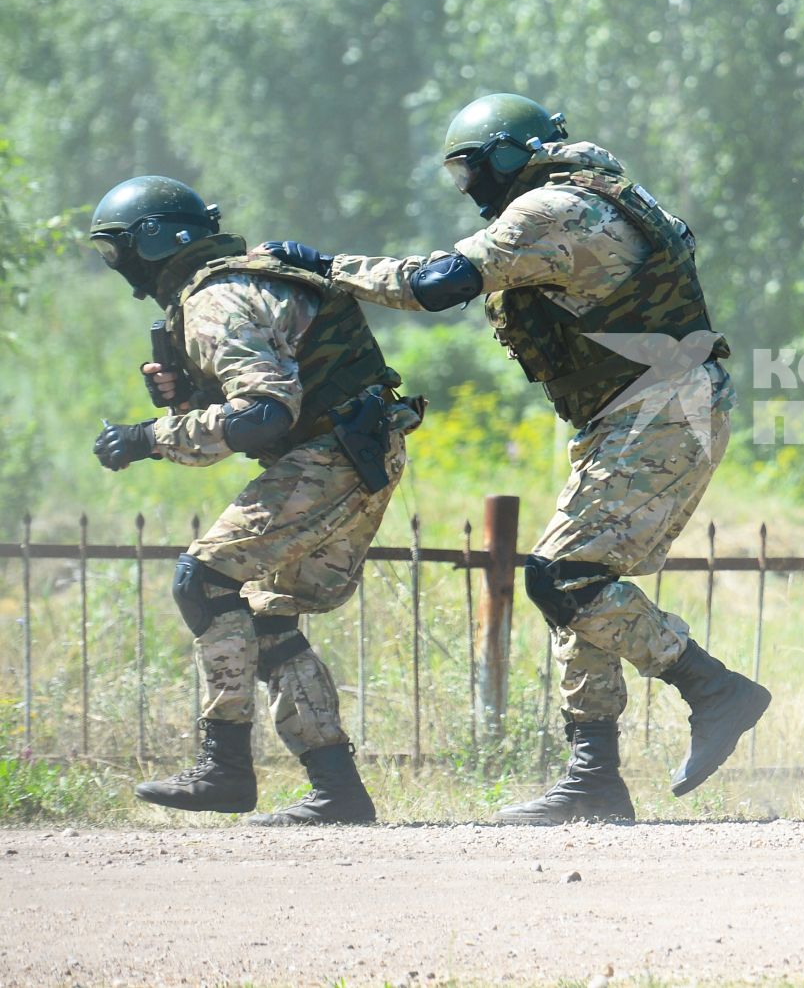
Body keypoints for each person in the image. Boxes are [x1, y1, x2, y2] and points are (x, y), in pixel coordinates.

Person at [263, 93, 768, 823]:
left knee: (563, 576)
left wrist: (323, 267)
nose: (470, 192)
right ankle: (594, 778)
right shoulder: (589, 195)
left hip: (661, 404)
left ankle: (712, 687)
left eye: (471, 174)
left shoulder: (550, 210)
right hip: (638, 406)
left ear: (506, 156)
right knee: (577, 581)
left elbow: (435, 285)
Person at [89, 175, 416, 825]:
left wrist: (151, 436)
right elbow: (272, 394)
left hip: (331, 456)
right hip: (358, 449)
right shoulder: (238, 280)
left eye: (114, 249)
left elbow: (266, 414)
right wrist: (191, 398)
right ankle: (337, 791)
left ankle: (225, 768)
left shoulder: (213, 300)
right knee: (266, 618)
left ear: (149, 243)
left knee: (203, 580)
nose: (115, 264)